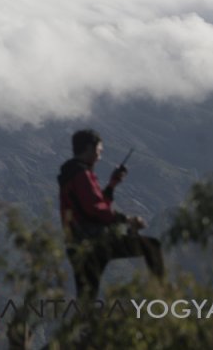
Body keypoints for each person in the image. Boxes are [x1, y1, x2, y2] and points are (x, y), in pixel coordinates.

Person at [58, 129, 164, 301]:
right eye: (99, 149)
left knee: (86, 298)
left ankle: (85, 325)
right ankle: (161, 297)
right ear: (89, 148)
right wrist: (127, 219)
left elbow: (95, 205)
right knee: (152, 246)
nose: (101, 154)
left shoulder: (72, 174)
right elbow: (96, 209)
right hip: (94, 244)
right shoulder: (81, 175)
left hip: (78, 246)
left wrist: (112, 185)